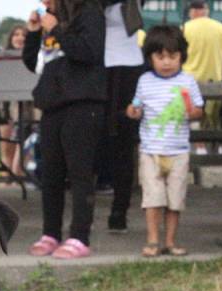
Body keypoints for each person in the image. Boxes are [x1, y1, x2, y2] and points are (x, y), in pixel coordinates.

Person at [22, 0, 106, 259]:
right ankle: (50, 233)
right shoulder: (50, 22)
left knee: (80, 173)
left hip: (82, 104)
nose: (44, 3)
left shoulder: (90, 13)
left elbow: (89, 52)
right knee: (51, 174)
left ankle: (80, 236)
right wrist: (34, 33)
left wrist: (58, 30)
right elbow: (32, 63)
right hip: (52, 104)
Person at [127, 24, 203, 257]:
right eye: (160, 57)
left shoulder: (188, 81)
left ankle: (170, 241)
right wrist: (132, 112)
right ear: (150, 58)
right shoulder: (145, 81)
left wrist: (192, 112)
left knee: (175, 200)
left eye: (173, 56)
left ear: (182, 56)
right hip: (150, 150)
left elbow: (199, 110)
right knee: (152, 199)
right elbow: (136, 107)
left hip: (178, 150)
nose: (167, 62)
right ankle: (153, 240)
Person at [101, 0, 145, 233]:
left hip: (129, 65)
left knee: (124, 145)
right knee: (96, 143)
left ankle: (119, 211)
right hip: (98, 65)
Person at [182, 0, 222, 130]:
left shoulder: (184, 28)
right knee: (212, 122)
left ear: (193, 12)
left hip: (188, 84)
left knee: (186, 122)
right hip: (214, 83)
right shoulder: (221, 28)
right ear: (205, 11)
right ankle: (209, 146)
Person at [0, 25, 29, 177]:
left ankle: (16, 176)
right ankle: (7, 179)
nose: (20, 38)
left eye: (24, 35)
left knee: (22, 143)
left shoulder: (33, 58)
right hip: (4, 107)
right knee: (7, 147)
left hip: (26, 108)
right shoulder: (3, 58)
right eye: (16, 34)